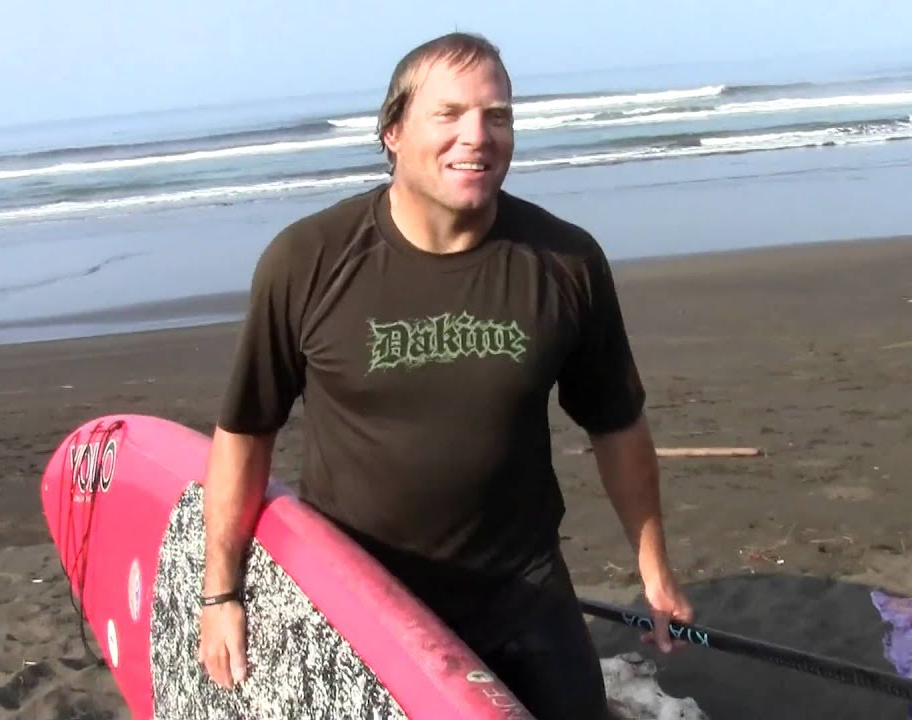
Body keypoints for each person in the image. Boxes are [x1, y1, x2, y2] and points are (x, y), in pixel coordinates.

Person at [195, 31, 692, 720]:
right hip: (365, 603)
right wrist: (221, 595)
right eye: (450, 113)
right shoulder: (308, 260)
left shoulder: (564, 261)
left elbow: (615, 424)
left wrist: (654, 568)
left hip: (524, 592)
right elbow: (247, 433)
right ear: (393, 131)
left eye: (498, 115)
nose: (478, 136)